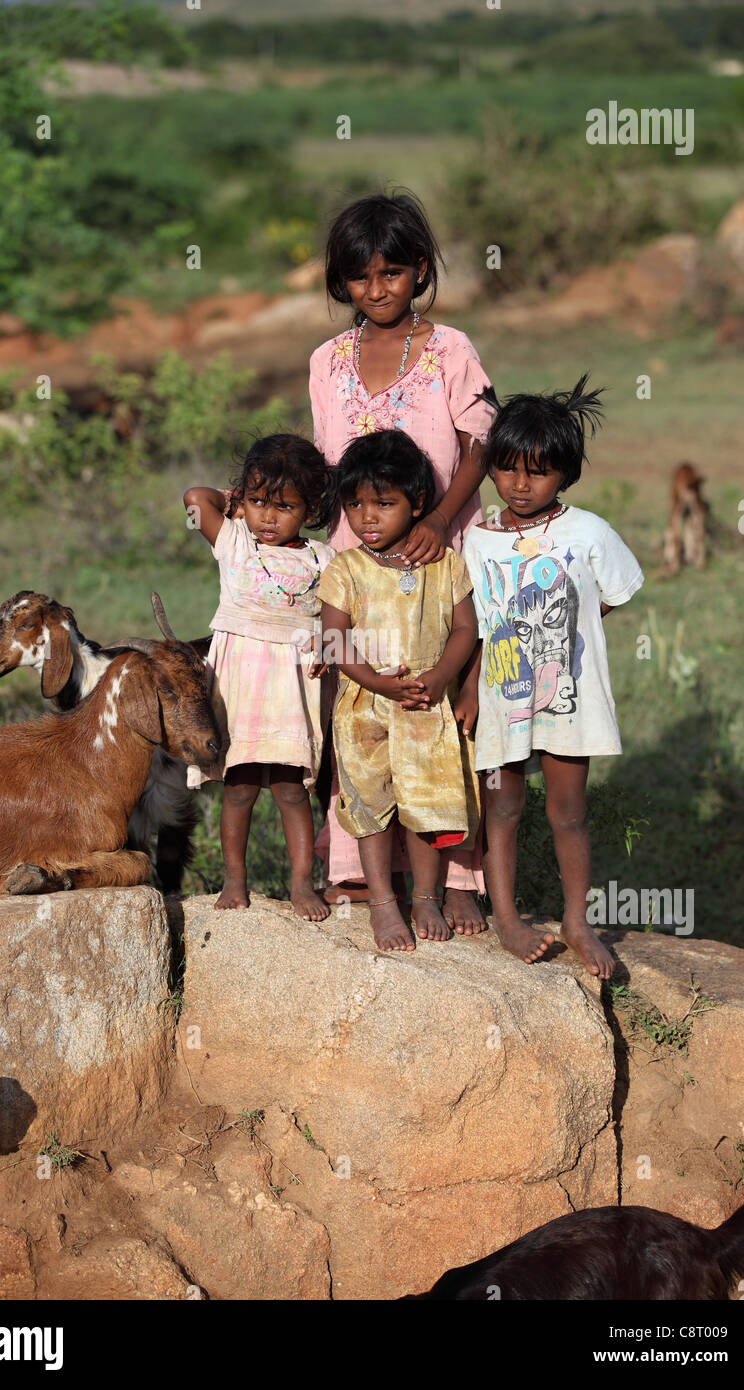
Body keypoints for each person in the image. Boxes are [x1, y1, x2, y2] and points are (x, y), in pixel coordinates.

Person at [310, 190, 494, 928]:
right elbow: (329, 468)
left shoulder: (451, 349)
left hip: (439, 554)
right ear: (341, 282)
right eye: (360, 278)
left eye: (391, 273)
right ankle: (359, 872)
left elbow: (480, 441)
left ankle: (455, 879)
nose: (376, 290)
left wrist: (442, 519)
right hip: (359, 568)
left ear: (419, 272)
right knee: (362, 715)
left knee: (443, 716)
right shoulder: (327, 361)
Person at [460, 376, 644, 978]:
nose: (520, 484)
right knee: (503, 808)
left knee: (568, 811)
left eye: (537, 472)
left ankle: (576, 920)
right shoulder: (479, 540)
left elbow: (610, 594)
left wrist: (563, 635)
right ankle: (508, 918)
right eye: (508, 469)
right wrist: (469, 687)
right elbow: (480, 625)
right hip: (501, 694)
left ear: (564, 473)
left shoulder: (588, 531)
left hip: (570, 697)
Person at [318, 430, 481, 953]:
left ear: (417, 504)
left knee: (426, 804)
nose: (367, 517)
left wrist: (438, 678)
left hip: (425, 707)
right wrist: (378, 683)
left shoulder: (445, 564)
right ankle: (385, 902)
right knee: (369, 806)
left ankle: (427, 896)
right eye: (356, 505)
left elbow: (465, 630)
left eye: (384, 504)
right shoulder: (347, 568)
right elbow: (333, 638)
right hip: (365, 710)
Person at [184, 435, 335, 921]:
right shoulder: (234, 540)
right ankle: (234, 879)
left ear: (310, 508)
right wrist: (232, 507)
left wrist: (328, 649)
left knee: (292, 790)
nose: (268, 517)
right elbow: (193, 498)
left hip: (291, 687)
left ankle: (301, 883)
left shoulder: (324, 558)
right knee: (240, 786)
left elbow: (337, 620)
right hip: (240, 685)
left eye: (284, 506)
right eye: (257, 502)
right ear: (241, 500)